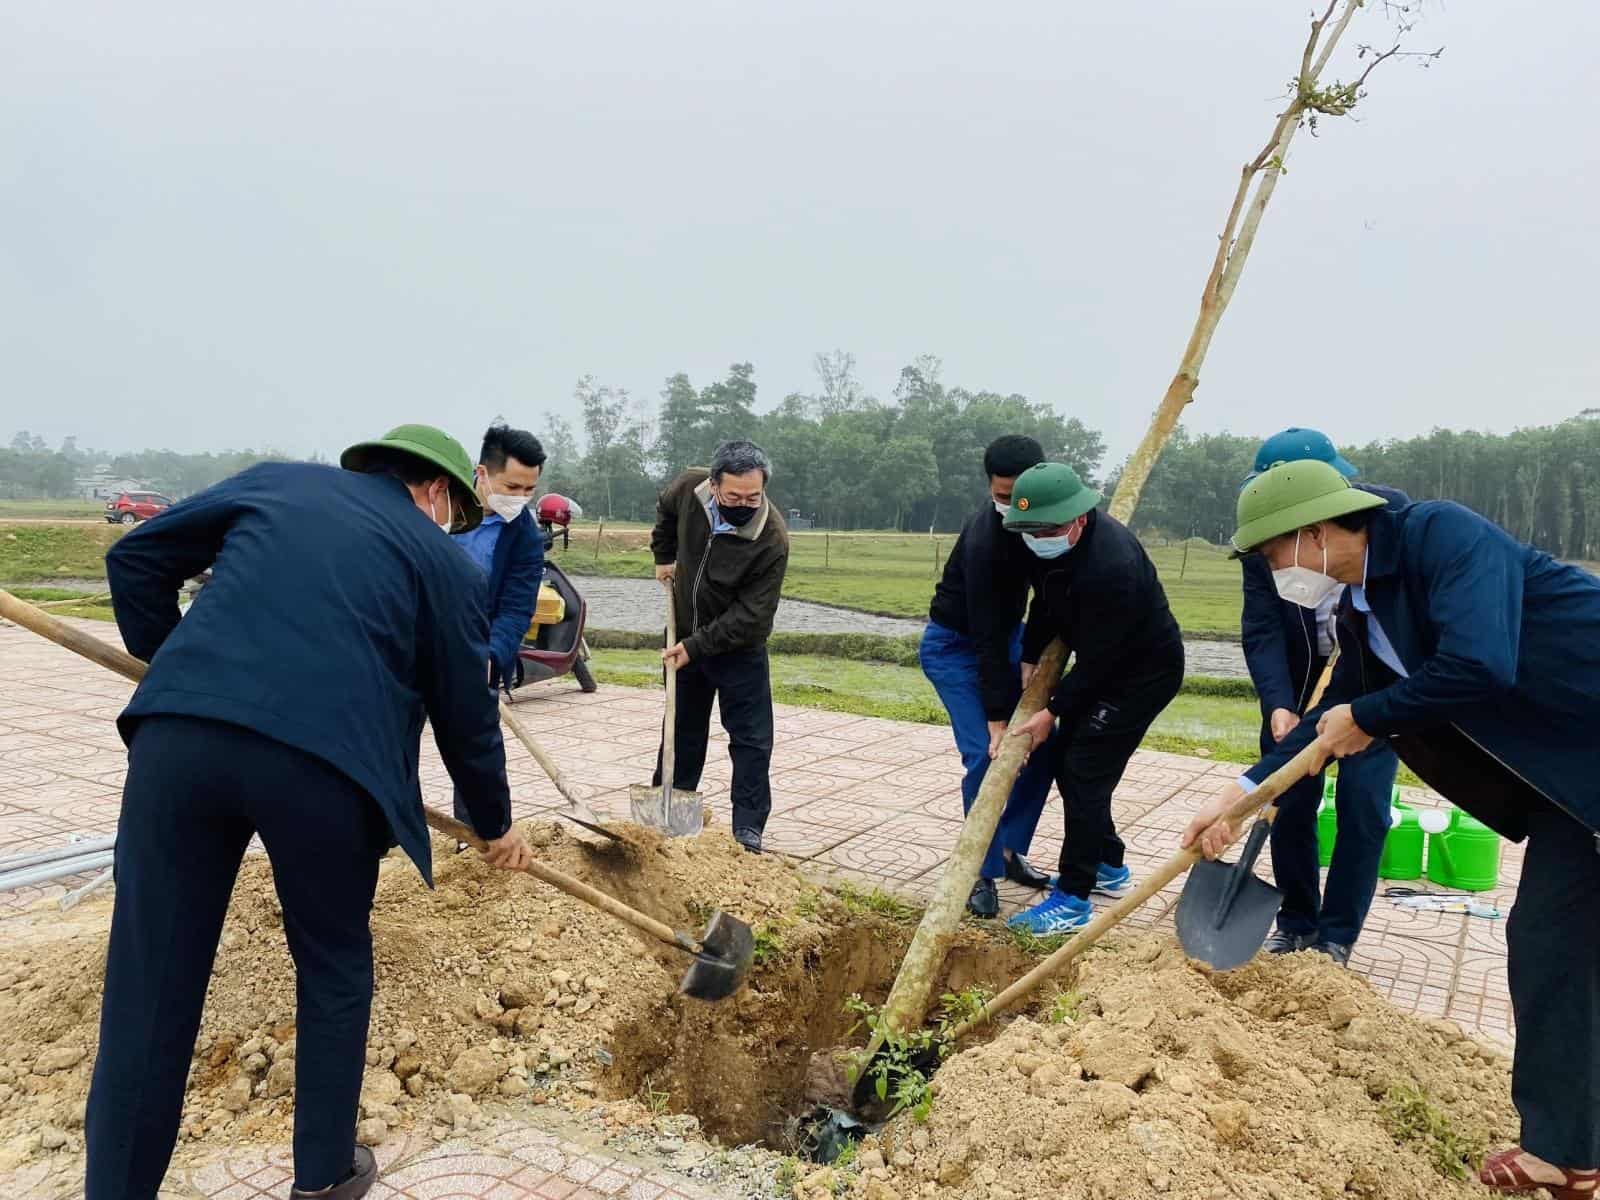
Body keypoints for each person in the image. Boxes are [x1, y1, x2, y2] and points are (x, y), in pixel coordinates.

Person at [87, 425, 533, 1200]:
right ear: (435, 491)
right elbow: (467, 716)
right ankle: (324, 1178)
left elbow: (134, 559)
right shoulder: (441, 563)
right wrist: (494, 823)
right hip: (324, 771)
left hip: (179, 746)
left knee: (148, 985)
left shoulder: (275, 483)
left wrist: (180, 668)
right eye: (455, 513)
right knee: (332, 967)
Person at [1184, 460, 1600, 1199]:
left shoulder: (1445, 537)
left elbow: (1479, 663)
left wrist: (1367, 718)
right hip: (1571, 784)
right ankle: (1565, 1153)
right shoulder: (1360, 605)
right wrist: (1237, 796)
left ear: (1312, 532)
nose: (1272, 571)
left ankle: (1566, 1150)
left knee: (1559, 943)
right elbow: (1331, 718)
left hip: (1587, 746)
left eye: (1271, 553)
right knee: (1551, 943)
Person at [1239, 428, 1406, 964]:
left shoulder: (1373, 532)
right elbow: (1263, 629)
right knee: (1288, 803)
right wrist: (1279, 703)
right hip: (1295, 692)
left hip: (1371, 691)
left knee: (1363, 808)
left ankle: (1336, 936)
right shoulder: (1261, 544)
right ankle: (1295, 920)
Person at [1001, 463, 1185, 934]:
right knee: (1070, 764)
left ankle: (1074, 897)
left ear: (1079, 518)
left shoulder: (1112, 564)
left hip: (1140, 673)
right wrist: (1028, 655)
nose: (1039, 537)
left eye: (1049, 529)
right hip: (1105, 664)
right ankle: (1108, 863)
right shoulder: (1048, 544)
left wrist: (1053, 711)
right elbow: (1045, 601)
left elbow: (1104, 658)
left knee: (1084, 770)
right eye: (1031, 530)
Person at [923, 434, 1060, 918]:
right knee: (987, 752)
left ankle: (1007, 849)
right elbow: (983, 633)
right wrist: (997, 715)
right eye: (1001, 496)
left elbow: (1048, 592)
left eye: (1018, 497)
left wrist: (1029, 654)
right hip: (957, 646)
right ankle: (978, 871)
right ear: (990, 487)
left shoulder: (1047, 523)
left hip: (1008, 637)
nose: (1010, 506)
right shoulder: (986, 539)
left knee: (1042, 744)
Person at [650, 439, 789, 852]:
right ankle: (669, 816)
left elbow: (752, 616)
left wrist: (697, 646)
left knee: (750, 740)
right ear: (714, 485)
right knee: (680, 731)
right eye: (734, 495)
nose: (744, 503)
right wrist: (664, 554)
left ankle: (748, 828)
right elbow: (665, 508)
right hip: (684, 639)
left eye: (753, 496)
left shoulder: (772, 539)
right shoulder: (689, 489)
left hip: (737, 650)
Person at [450, 422, 546, 834]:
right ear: (481, 473)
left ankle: (483, 840)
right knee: (392, 742)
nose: (520, 499)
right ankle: (386, 836)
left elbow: (516, 606)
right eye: (513, 486)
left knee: (476, 751)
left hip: (475, 652)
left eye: (529, 490)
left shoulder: (523, 533)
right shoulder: (440, 504)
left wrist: (492, 655)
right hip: (413, 645)